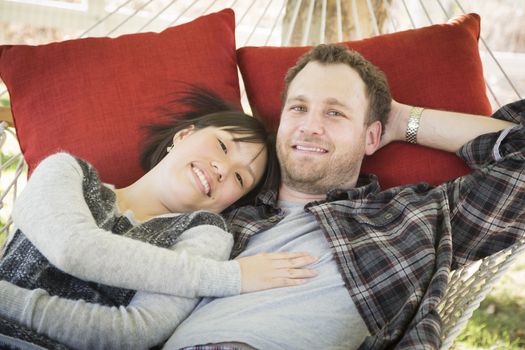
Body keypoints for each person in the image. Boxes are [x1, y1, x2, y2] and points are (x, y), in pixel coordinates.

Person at [2, 44, 524, 349]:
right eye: (297, 108)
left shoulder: (413, 218)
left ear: (371, 135)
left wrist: (404, 121)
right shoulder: (218, 219)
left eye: (335, 112)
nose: (309, 126)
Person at [0, 86, 318, 349]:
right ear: (183, 136)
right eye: (222, 146)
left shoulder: (205, 234)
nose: (223, 169)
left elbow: (135, 333)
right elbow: (72, 248)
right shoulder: (66, 172)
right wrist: (231, 277)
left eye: (240, 179)